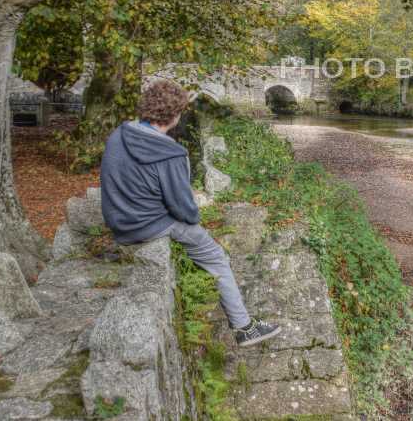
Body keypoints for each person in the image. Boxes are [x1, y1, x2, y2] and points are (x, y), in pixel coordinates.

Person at [100, 80, 281, 347]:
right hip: (146, 224)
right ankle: (244, 327)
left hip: (118, 220)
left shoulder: (120, 133)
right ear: (175, 115)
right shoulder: (171, 153)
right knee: (217, 256)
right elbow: (183, 210)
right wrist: (195, 216)